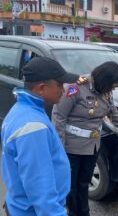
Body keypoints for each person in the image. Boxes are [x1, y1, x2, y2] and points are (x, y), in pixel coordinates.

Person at [52, 61, 118, 216]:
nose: (114, 88)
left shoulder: (105, 90)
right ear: (105, 80)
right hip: (71, 148)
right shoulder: (75, 88)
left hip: (92, 146)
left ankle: (83, 212)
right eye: (113, 85)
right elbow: (59, 118)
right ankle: (73, 212)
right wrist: (59, 149)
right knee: (70, 186)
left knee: (84, 183)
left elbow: (112, 111)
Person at [1, 57, 79, 215]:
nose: (64, 91)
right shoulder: (33, 126)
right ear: (42, 88)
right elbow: (40, 186)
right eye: (59, 85)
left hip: (19, 204)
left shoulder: (21, 109)